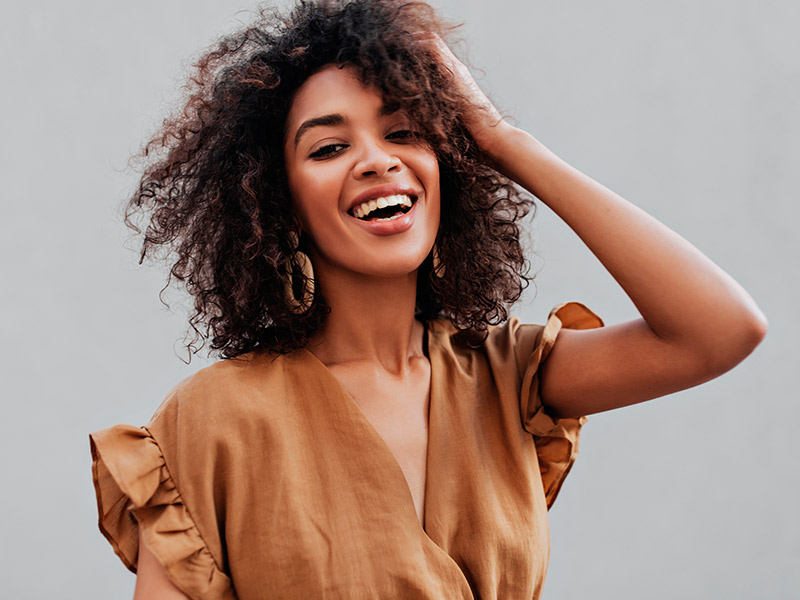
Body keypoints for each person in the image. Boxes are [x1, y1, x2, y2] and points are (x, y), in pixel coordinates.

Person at [89, 1, 767, 598]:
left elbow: (720, 331)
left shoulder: (507, 379)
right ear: (277, 202)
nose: (377, 159)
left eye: (405, 132)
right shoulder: (212, 421)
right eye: (329, 146)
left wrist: (505, 139)